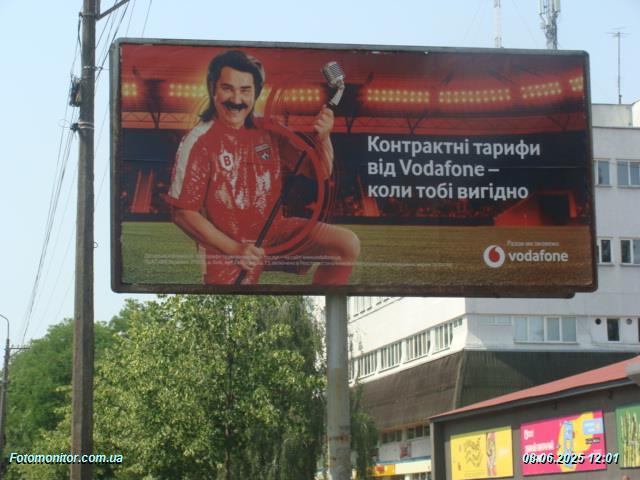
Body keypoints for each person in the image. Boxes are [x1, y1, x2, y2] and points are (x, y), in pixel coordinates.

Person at [165, 50, 360, 285]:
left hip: (275, 233)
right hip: (227, 246)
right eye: (227, 88)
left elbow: (319, 170)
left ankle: (326, 303)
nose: (236, 99)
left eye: (245, 90)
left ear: (256, 92)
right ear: (212, 89)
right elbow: (182, 213)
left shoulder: (268, 128)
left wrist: (323, 138)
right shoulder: (198, 141)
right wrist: (235, 249)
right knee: (233, 299)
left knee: (345, 244)